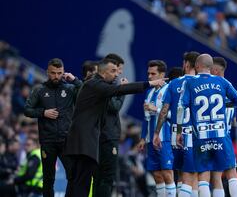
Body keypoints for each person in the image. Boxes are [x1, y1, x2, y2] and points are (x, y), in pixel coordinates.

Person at [64, 58, 166, 197]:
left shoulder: (93, 85)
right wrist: (150, 83)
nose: (116, 74)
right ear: (103, 72)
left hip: (80, 140)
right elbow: (118, 90)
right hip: (84, 142)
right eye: (113, 71)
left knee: (76, 182)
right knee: (82, 182)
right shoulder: (96, 84)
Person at [177, 54, 237, 197]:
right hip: (221, 135)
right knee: (231, 172)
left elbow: (180, 108)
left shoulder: (190, 82)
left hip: (201, 135)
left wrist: (179, 131)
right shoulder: (222, 82)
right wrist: (224, 103)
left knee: (204, 175)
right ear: (210, 67)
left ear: (197, 66)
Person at [24, 58, 82, 197]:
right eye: (53, 73)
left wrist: (75, 80)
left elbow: (87, 93)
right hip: (47, 141)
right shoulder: (39, 89)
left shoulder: (70, 89)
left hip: (66, 140)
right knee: (48, 179)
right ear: (47, 72)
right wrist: (43, 112)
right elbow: (27, 110)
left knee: (73, 176)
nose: (56, 76)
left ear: (63, 72)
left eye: (59, 73)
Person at [153, 51, 200, 197]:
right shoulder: (201, 84)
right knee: (191, 177)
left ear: (186, 64)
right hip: (194, 136)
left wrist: (156, 133)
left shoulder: (173, 83)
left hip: (175, 136)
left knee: (179, 174)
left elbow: (164, 111)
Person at [137, 60, 176, 197]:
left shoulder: (169, 90)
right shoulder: (149, 92)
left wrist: (157, 109)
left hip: (164, 138)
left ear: (162, 74)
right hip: (150, 139)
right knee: (157, 175)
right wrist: (142, 137)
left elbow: (175, 116)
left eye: (153, 73)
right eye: (148, 73)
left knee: (167, 173)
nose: (149, 76)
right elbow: (146, 118)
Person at [92, 53, 127, 197]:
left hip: (99, 134)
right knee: (106, 177)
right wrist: (123, 90)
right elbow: (115, 106)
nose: (120, 73)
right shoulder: (108, 86)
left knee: (99, 177)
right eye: (118, 70)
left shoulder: (98, 83)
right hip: (107, 135)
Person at [209, 56, 237, 197]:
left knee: (214, 176)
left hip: (208, 135)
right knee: (230, 172)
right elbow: (234, 121)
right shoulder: (231, 88)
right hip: (224, 136)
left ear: (214, 70)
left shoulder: (210, 87)